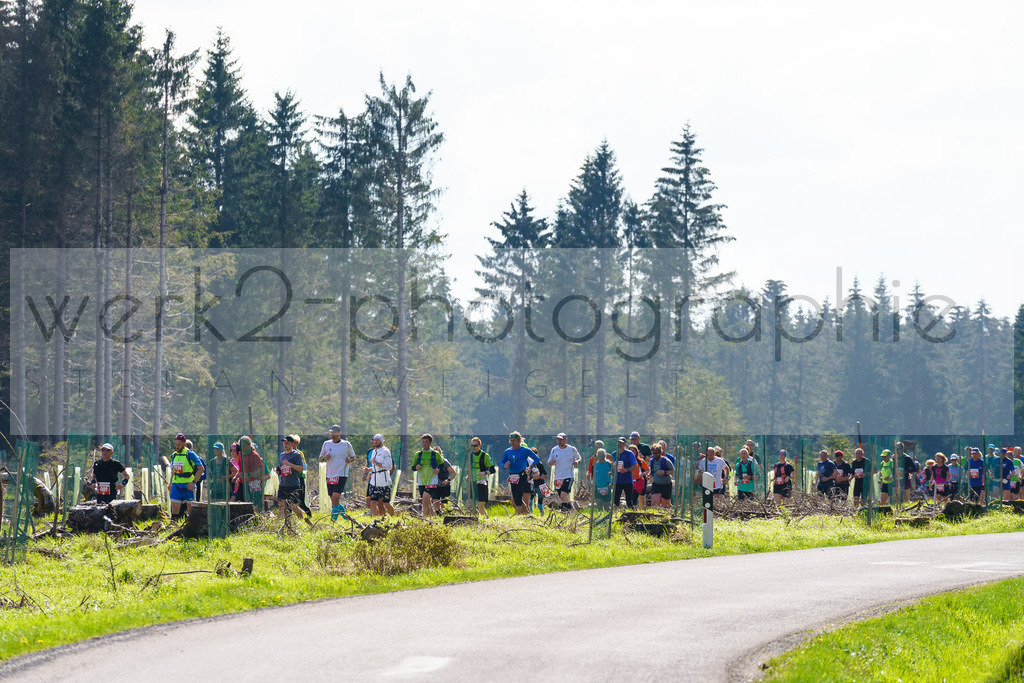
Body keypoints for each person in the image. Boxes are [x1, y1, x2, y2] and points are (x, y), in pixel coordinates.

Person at [319, 425, 356, 523]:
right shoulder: (326, 444)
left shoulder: (346, 444)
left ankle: (333, 521)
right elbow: (320, 458)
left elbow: (353, 457)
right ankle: (344, 516)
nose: (333, 435)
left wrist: (349, 460)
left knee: (336, 497)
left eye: (335, 433)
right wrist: (324, 458)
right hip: (330, 474)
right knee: (333, 499)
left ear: (340, 433)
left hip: (341, 474)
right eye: (331, 433)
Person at [412, 434, 450, 518]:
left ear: (430, 443)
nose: (424, 444)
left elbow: (441, 464)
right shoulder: (418, 454)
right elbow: (413, 467)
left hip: (432, 480)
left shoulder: (435, 454)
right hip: (421, 481)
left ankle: (424, 518)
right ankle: (431, 518)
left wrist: (438, 470)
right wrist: (416, 467)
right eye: (423, 442)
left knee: (425, 499)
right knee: (426, 502)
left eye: (426, 442)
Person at [168, 433, 204, 518]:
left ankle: (191, 527)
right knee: (174, 510)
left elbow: (201, 469)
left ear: (184, 444)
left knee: (191, 510)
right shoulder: (173, 455)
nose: (177, 446)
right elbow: (173, 470)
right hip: (176, 485)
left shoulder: (190, 454)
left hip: (188, 486)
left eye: (179, 444)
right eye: (176, 444)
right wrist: (170, 483)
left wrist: (193, 482)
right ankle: (174, 527)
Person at [277, 435, 310, 524]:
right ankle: (282, 524)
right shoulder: (281, 455)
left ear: (292, 444)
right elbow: (282, 468)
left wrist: (289, 464)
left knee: (293, 507)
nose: (285, 445)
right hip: (283, 484)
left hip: (293, 484)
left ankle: (302, 522)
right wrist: (278, 471)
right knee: (281, 506)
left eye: (287, 443)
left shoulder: (296, 455)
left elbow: (301, 468)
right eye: (284, 443)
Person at [500, 432, 536, 515]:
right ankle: (527, 514)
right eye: (510, 440)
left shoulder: (525, 451)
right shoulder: (508, 451)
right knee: (515, 498)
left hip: (522, 475)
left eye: (514, 440)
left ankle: (517, 515)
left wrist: (530, 468)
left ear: (519, 441)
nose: (512, 442)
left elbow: (536, 459)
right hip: (512, 476)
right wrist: (504, 466)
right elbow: (502, 462)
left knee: (519, 496)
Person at [548, 433, 581, 512]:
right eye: (558, 439)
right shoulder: (554, 450)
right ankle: (570, 510)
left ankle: (563, 512)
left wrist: (577, 462)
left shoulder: (572, 449)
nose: (559, 441)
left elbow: (579, 458)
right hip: (558, 476)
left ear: (566, 440)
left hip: (568, 475)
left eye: (561, 440)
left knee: (563, 495)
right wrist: (551, 462)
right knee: (562, 497)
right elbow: (549, 463)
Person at [365, 434, 395, 517]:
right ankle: (373, 521)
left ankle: (393, 517)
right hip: (374, 481)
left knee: (386, 503)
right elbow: (375, 467)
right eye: (374, 440)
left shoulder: (385, 451)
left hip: (384, 481)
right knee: (373, 502)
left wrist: (376, 463)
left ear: (381, 441)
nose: (375, 441)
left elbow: (389, 466)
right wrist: (369, 469)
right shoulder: (373, 451)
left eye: (377, 440)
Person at [232, 436, 265, 504]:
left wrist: (249, 474)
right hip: (242, 483)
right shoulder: (240, 454)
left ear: (249, 445)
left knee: (252, 504)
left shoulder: (255, 455)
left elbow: (260, 471)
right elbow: (241, 469)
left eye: (244, 446)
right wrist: (236, 476)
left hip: (253, 483)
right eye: (241, 446)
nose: (242, 448)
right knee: (238, 503)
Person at [470, 437, 496, 517]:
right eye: (472, 445)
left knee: (481, 506)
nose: (473, 447)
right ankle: (474, 521)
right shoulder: (470, 455)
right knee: (471, 506)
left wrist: (484, 473)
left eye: (475, 445)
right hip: (473, 482)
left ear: (480, 445)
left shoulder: (485, 455)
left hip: (482, 482)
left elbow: (492, 470)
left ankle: (486, 521)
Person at [612, 437, 638, 509]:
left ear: (625, 444)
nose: (620, 445)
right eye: (618, 443)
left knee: (629, 501)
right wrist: (613, 467)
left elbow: (635, 466)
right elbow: (611, 466)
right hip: (617, 480)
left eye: (622, 443)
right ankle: (614, 515)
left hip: (628, 480)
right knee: (615, 500)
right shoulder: (614, 454)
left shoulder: (629, 453)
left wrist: (627, 469)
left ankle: (632, 515)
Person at [650, 444, 674, 509]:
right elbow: (652, 471)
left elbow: (674, 472)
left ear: (660, 452)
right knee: (654, 504)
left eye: (656, 453)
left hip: (666, 484)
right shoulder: (652, 461)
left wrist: (665, 472)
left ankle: (669, 513)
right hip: (656, 484)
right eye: (653, 453)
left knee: (665, 505)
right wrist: (649, 475)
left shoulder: (666, 461)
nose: (654, 455)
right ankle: (654, 518)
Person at [528, 446, 549, 514]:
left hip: (540, 484)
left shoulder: (539, 464)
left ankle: (541, 515)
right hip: (532, 483)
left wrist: (538, 477)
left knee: (539, 503)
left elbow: (546, 475)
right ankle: (530, 514)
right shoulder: (528, 463)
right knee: (530, 501)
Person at [629, 444, 649, 509]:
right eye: (630, 451)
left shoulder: (640, 461)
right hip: (628, 482)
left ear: (636, 452)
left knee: (634, 499)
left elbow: (648, 469)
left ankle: (635, 513)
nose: (632, 452)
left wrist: (643, 474)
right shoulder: (626, 461)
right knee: (630, 498)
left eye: (633, 451)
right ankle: (633, 512)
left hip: (638, 482)